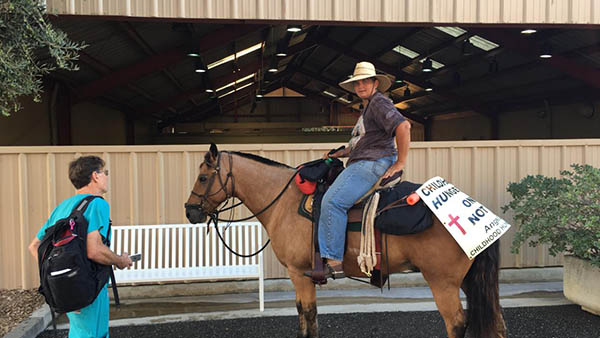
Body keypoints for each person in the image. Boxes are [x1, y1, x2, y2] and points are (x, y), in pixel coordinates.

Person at [314, 61, 411, 280]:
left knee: (332, 202)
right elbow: (364, 142)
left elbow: (403, 127)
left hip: (372, 162)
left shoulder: (378, 103)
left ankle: (334, 261)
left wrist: (400, 163)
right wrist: (340, 153)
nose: (361, 86)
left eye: (366, 81)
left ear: (376, 83)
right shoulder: (367, 107)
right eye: (357, 83)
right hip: (365, 158)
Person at [28, 155, 132, 338]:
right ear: (95, 176)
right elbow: (94, 250)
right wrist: (121, 260)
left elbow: (35, 246)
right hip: (89, 284)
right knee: (94, 333)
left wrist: (58, 277)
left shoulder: (62, 207)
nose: (106, 177)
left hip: (67, 286)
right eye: (104, 172)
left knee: (80, 331)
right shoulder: (97, 204)